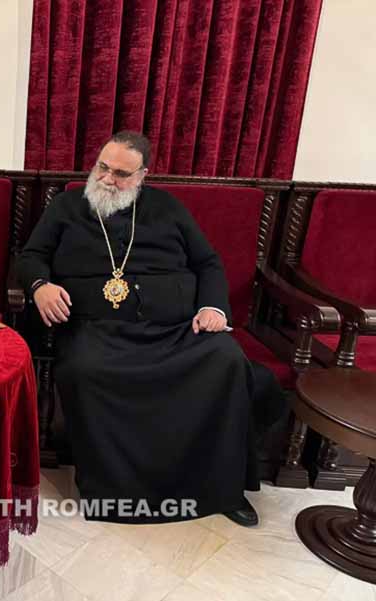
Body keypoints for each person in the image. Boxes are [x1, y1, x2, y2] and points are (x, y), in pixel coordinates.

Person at [17, 131, 284, 526]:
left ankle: (221, 489)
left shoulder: (167, 207)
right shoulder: (67, 206)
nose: (107, 179)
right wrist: (40, 286)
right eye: (102, 167)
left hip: (172, 329)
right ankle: (114, 496)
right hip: (97, 329)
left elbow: (207, 262)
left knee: (225, 358)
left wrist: (212, 307)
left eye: (121, 174)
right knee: (83, 369)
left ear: (143, 175)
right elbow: (30, 256)